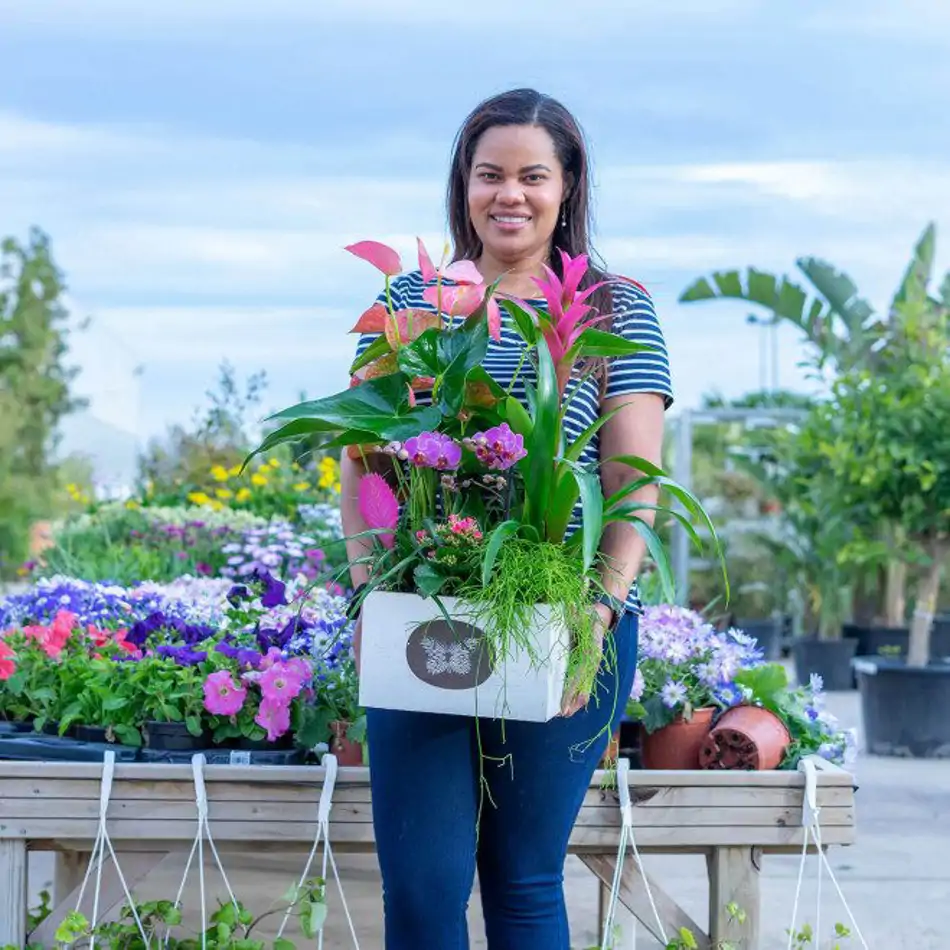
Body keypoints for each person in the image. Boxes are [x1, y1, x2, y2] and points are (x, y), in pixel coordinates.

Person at [340, 88, 673, 950]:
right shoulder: (412, 297)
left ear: (568, 188)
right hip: (428, 616)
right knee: (422, 889)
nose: (510, 195)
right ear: (465, 184)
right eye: (490, 175)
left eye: (533, 175)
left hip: (564, 621)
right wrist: (365, 596)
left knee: (523, 883)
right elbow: (364, 460)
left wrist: (596, 614)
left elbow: (633, 482)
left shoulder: (614, 305)